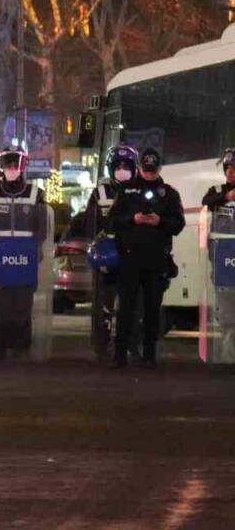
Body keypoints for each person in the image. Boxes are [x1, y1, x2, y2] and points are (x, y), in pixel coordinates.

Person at [107, 146, 183, 369]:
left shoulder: (169, 193)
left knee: (152, 309)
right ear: (139, 167)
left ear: (159, 169)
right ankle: (120, 355)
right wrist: (133, 219)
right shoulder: (126, 191)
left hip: (157, 258)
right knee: (126, 308)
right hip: (130, 258)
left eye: (153, 171)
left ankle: (149, 355)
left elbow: (178, 224)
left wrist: (160, 222)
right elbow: (112, 221)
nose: (149, 174)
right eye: (146, 170)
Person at [0, 147, 47, 360]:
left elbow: (42, 228)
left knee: (22, 303)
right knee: (0, 305)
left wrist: (35, 249)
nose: (11, 168)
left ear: (22, 166)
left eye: (14, 164)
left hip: (25, 258)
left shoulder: (36, 194)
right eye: (7, 164)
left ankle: (21, 347)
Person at [85, 145, 138, 360]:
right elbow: (90, 223)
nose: (122, 170)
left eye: (126, 166)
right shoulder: (100, 193)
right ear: (110, 168)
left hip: (132, 256)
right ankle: (101, 345)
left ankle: (130, 346)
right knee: (103, 305)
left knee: (132, 304)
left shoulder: (139, 191)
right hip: (107, 257)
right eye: (118, 166)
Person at [201, 148, 235, 361]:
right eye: (228, 168)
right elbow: (207, 202)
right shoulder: (217, 190)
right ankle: (228, 351)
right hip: (223, 258)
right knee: (226, 305)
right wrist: (226, 197)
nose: (231, 172)